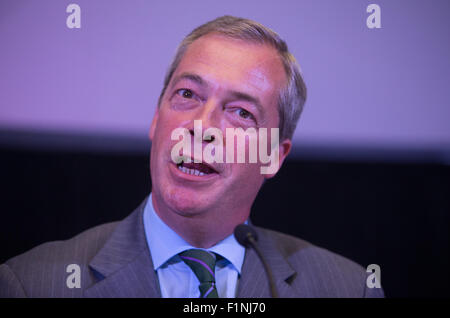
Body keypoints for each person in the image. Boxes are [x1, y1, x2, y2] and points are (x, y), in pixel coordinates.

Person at [0, 15, 383, 298]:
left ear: (273, 155)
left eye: (241, 112)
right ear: (156, 117)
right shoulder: (33, 284)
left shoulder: (347, 289)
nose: (201, 124)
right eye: (187, 95)